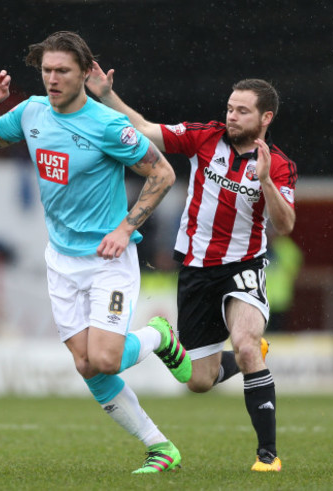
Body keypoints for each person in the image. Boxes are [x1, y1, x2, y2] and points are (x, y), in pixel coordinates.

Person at [0, 31, 192, 474]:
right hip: (62, 261)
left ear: (85, 73)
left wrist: (127, 228)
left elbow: (163, 173)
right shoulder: (31, 112)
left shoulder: (107, 125)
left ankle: (160, 337)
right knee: (88, 366)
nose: (52, 78)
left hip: (108, 260)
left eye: (62, 71)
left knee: (106, 358)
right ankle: (160, 447)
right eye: (47, 70)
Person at [86, 64, 298, 472]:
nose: (231, 116)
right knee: (199, 381)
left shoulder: (281, 165)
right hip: (197, 272)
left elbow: (285, 225)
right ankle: (241, 356)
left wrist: (267, 181)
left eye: (242, 111)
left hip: (243, 266)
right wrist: (106, 96)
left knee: (247, 344)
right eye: (230, 108)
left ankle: (268, 455)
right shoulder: (205, 137)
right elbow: (146, 129)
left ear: (265, 118)